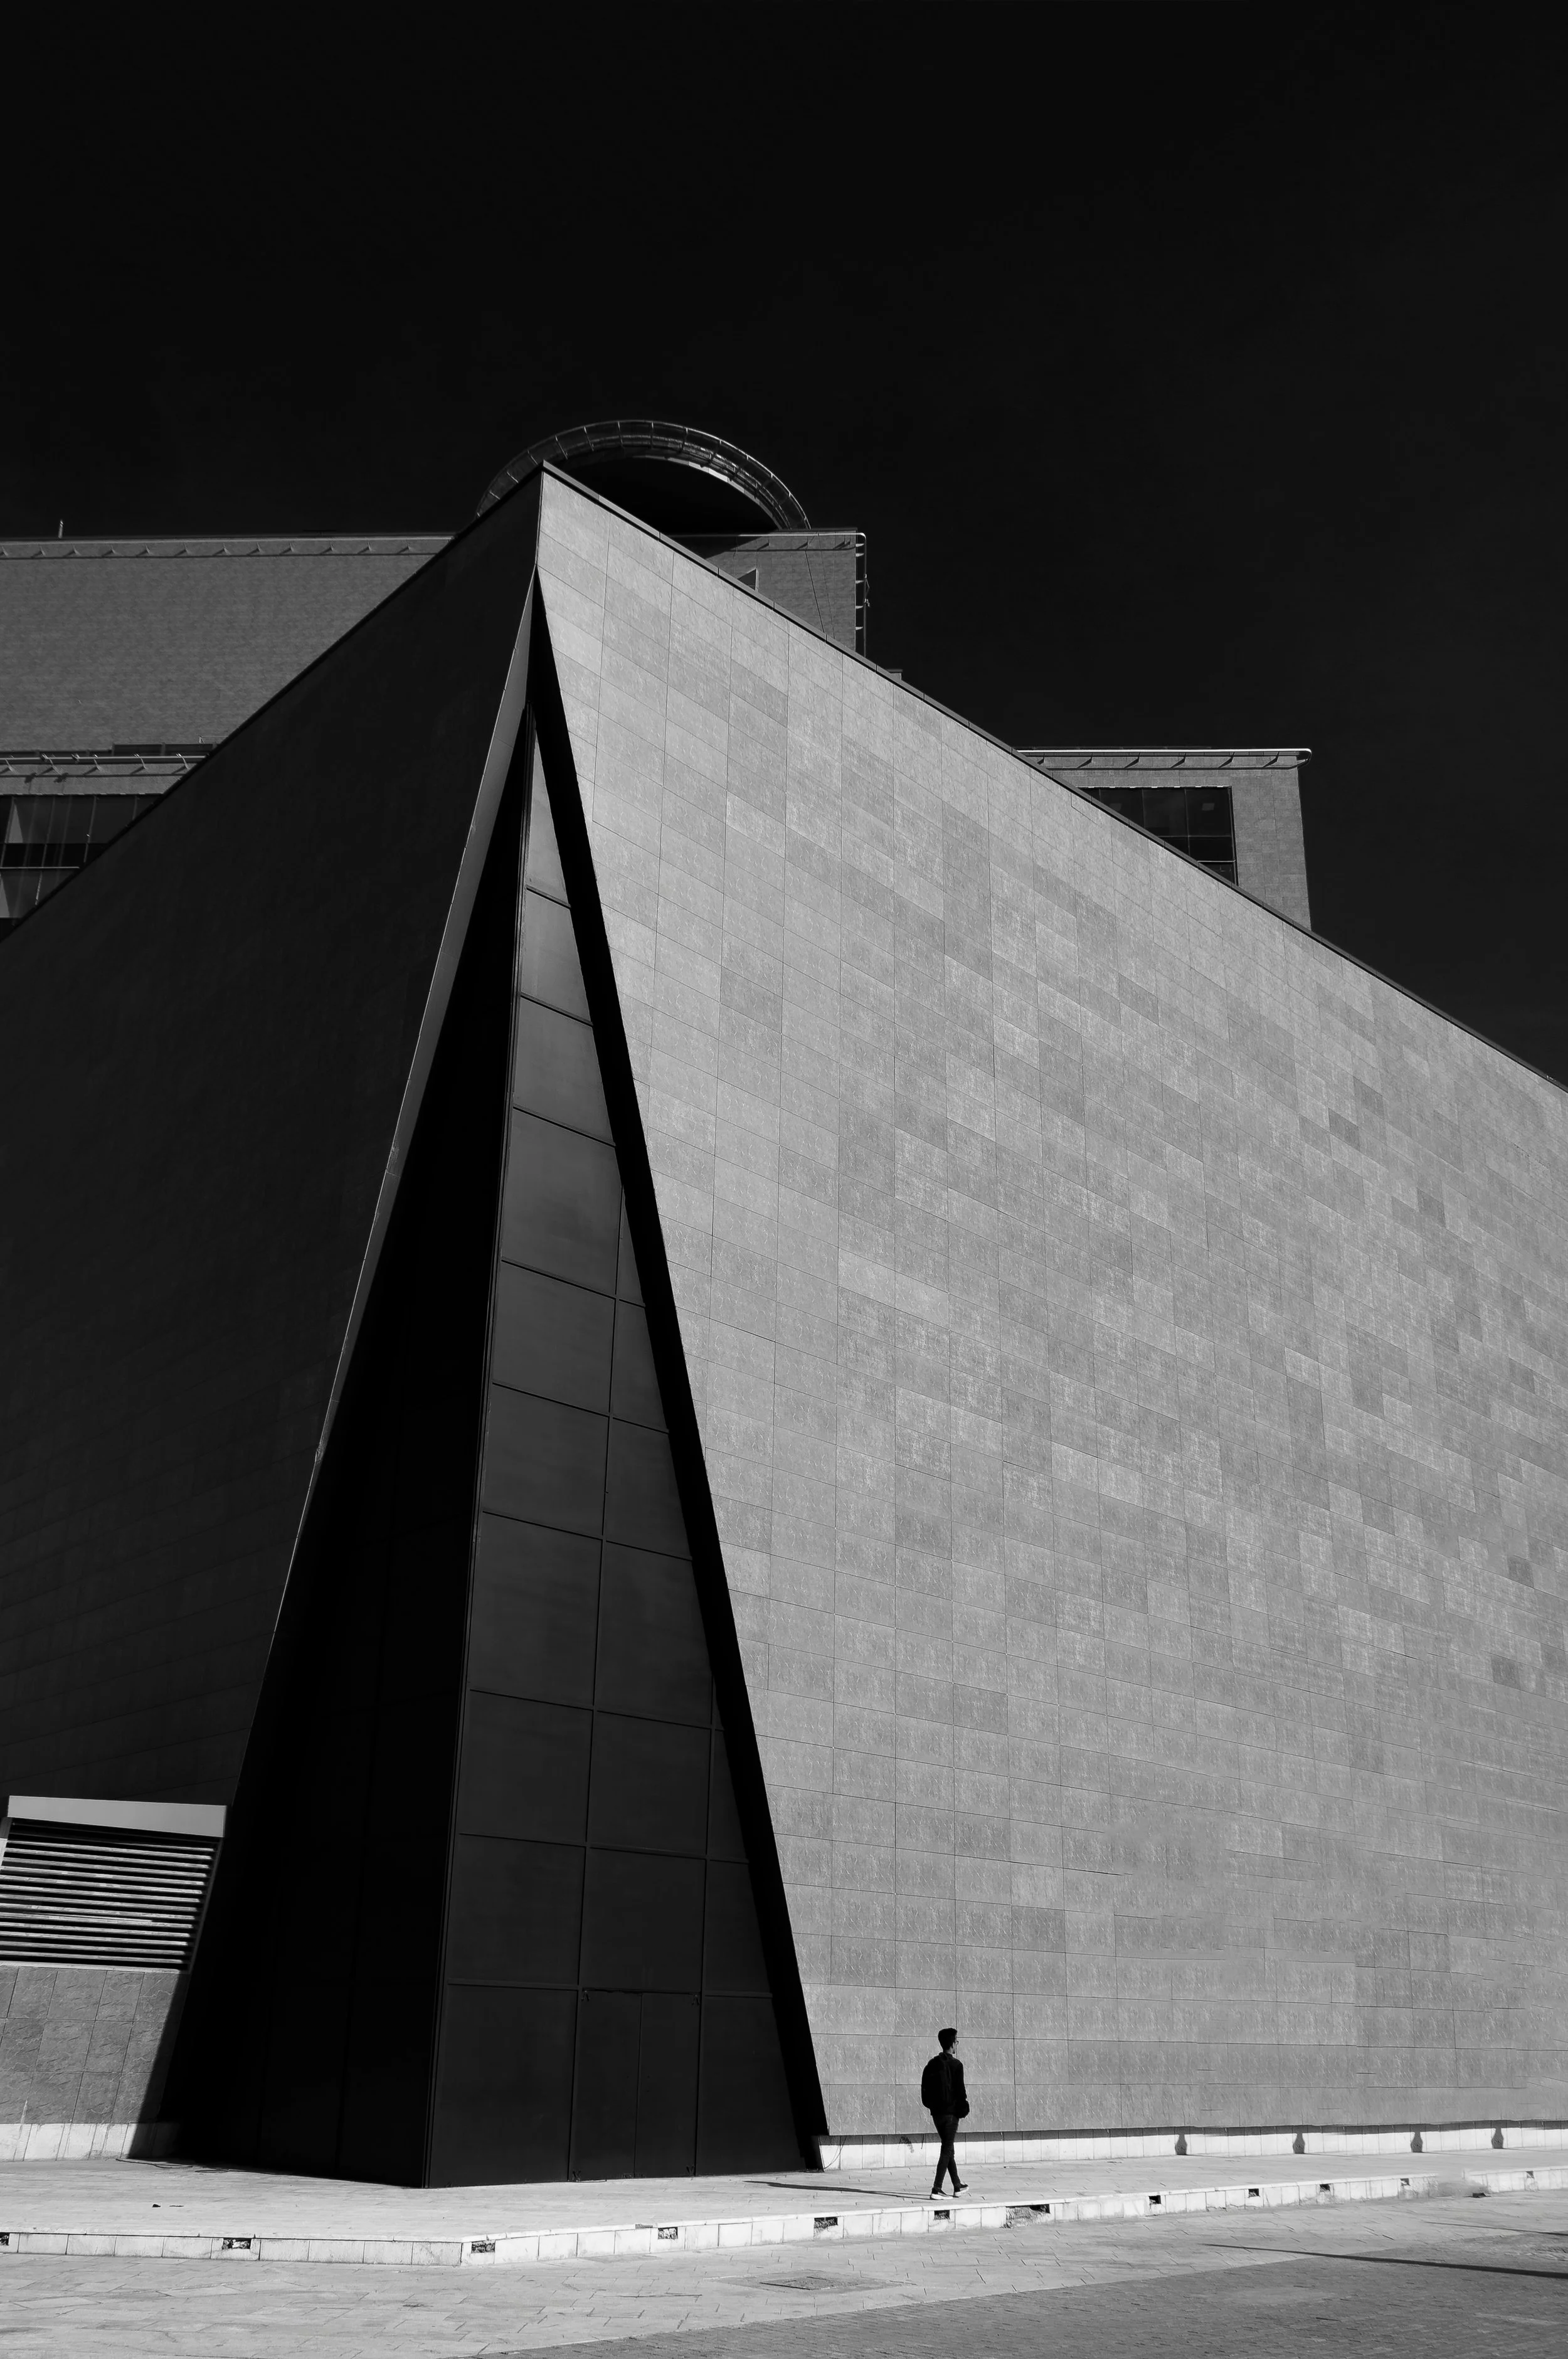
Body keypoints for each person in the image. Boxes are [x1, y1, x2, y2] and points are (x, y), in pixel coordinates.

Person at [919, 2025, 968, 2197]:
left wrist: (932, 2107)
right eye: (957, 2041)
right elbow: (960, 2091)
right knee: (947, 2149)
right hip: (951, 2115)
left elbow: (924, 2090)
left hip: (937, 2115)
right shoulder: (956, 2065)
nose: (957, 2044)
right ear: (952, 2044)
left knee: (949, 2148)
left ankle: (957, 2185)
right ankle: (937, 2188)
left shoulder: (931, 2065)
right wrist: (963, 2109)